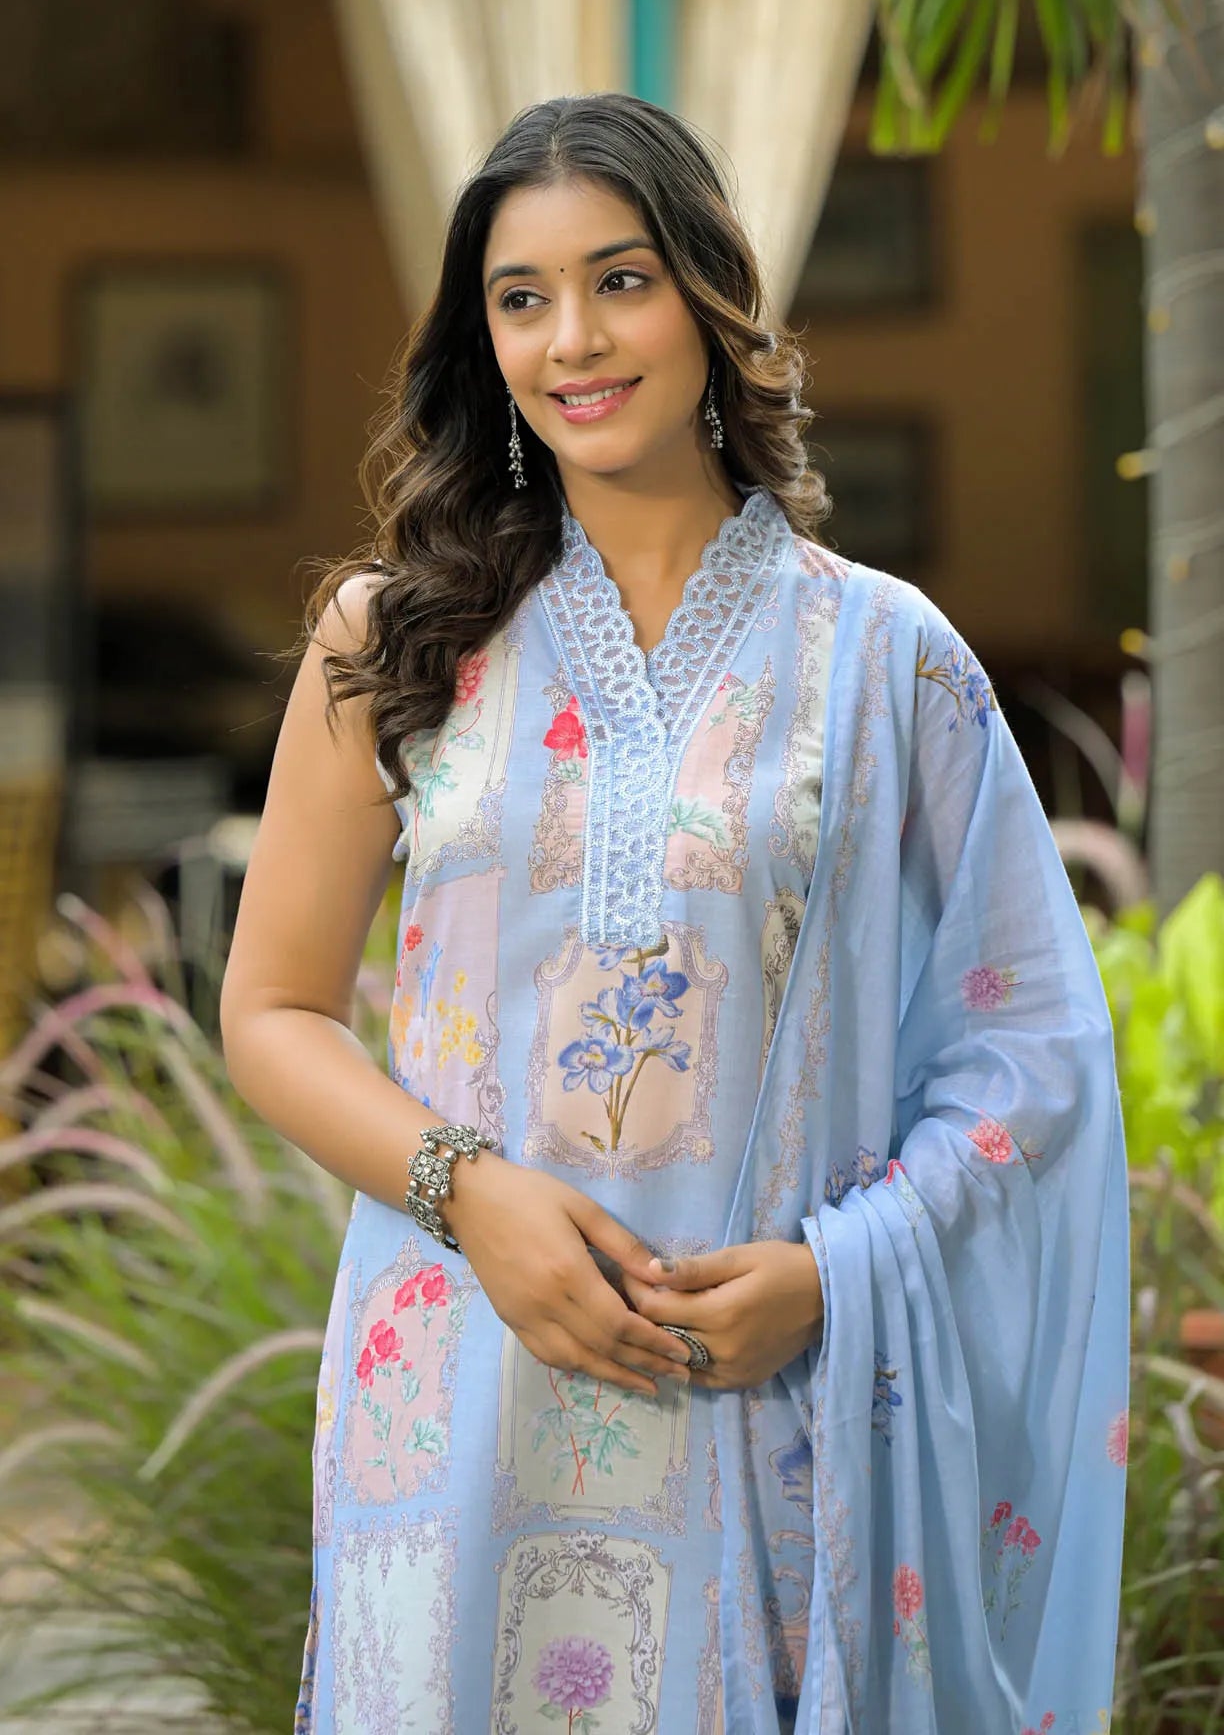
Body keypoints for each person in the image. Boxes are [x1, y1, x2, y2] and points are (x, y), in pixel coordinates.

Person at [219, 91, 1128, 1734]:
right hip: (459, 1401)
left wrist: (835, 1276)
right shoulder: (398, 636)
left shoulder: (886, 658)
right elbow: (271, 1011)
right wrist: (470, 1194)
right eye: (521, 297)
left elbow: (1036, 1051)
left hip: (765, 1417)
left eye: (620, 281)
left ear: (711, 298)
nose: (572, 338)